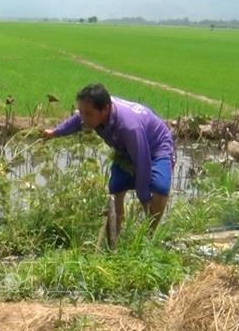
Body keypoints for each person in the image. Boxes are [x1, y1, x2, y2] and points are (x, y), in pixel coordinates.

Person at [42, 83, 175, 241]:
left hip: (155, 146)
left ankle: (149, 236)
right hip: (126, 149)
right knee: (116, 188)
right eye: (82, 112)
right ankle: (113, 240)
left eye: (88, 114)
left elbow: (142, 161)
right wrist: (55, 132)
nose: (84, 118)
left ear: (105, 109)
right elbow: (77, 120)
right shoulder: (93, 113)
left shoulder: (129, 127)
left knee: (159, 188)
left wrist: (144, 196)